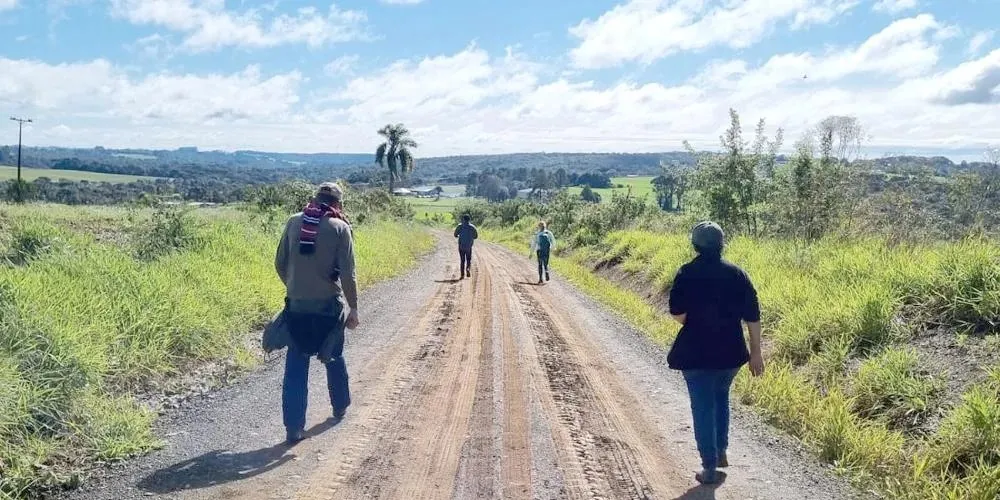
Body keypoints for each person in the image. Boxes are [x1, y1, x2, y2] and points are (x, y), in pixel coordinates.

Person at [666, 221, 765, 485]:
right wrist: (757, 353)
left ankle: (709, 466)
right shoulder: (737, 274)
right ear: (722, 244)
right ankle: (720, 451)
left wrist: (697, 319)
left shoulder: (686, 273)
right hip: (731, 353)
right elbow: (753, 316)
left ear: (695, 245)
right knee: (721, 398)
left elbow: (677, 313)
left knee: (702, 405)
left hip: (695, 353)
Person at [275, 182, 360, 444]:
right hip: (327, 307)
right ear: (338, 204)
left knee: (296, 366)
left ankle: (293, 428)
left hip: (297, 306)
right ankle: (340, 406)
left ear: (315, 199)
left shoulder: (293, 222)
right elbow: (347, 274)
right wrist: (354, 308)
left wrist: (296, 286)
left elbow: (280, 263)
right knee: (334, 356)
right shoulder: (340, 227)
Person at [454, 214, 478, 279]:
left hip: (461, 246)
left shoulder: (459, 226)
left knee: (462, 260)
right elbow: (476, 236)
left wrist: (459, 236)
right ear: (469, 220)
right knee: (468, 259)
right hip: (468, 246)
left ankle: (462, 275)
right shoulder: (472, 227)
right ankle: (468, 269)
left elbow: (455, 235)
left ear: (463, 219)